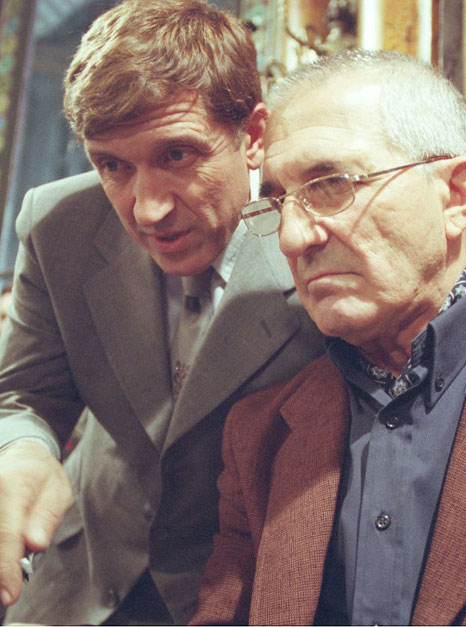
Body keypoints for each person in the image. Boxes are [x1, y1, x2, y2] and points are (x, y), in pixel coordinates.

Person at [0, 1, 323, 625]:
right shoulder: (57, 224)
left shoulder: (318, 237)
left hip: (241, 593)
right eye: (111, 165)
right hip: (77, 580)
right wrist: (21, 450)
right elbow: (26, 395)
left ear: (253, 136)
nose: (147, 210)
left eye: (177, 155)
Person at [191, 50, 466, 626]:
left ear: (455, 196)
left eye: (332, 184)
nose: (292, 238)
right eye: (279, 202)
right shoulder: (259, 434)